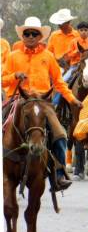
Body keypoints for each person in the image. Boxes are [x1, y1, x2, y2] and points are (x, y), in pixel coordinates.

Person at [2, 17, 83, 191]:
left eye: (34, 33)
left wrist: (72, 99)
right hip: (18, 99)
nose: (30, 36)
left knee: (60, 134)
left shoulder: (48, 56)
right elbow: (2, 81)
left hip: (43, 102)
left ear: (40, 37)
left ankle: (59, 175)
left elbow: (59, 82)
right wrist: (15, 76)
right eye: (27, 33)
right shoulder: (13, 56)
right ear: (22, 36)